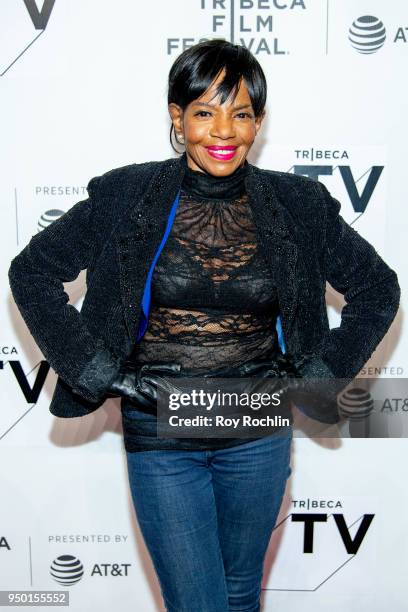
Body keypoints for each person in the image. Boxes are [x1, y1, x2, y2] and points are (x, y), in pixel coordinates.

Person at [8, 39, 400, 612]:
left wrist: (319, 372)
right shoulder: (127, 194)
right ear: (177, 117)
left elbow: (378, 288)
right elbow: (33, 272)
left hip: (258, 432)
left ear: (258, 122)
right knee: (198, 603)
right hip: (162, 434)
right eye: (204, 112)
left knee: (241, 596)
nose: (223, 131)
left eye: (240, 113)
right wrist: (100, 372)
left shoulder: (298, 203)